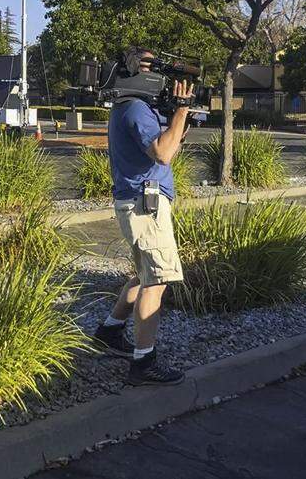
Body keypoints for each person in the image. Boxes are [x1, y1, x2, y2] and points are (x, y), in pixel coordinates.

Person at [92, 47, 193, 385]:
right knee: (156, 280)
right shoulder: (135, 108)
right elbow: (164, 154)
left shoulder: (133, 107)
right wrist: (181, 110)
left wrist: (177, 120)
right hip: (144, 205)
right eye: (153, 68)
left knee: (143, 274)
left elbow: (167, 148)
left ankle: (109, 330)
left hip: (139, 201)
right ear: (137, 72)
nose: (162, 77)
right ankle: (143, 363)